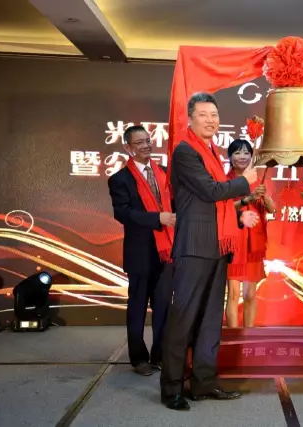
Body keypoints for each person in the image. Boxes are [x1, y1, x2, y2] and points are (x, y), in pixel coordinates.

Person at [160, 93, 258, 411]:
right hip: (193, 247)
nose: (211, 120)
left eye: (214, 115)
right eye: (203, 115)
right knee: (183, 319)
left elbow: (220, 198)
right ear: (190, 118)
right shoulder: (185, 151)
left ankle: (203, 383)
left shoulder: (213, 152)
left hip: (216, 247)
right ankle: (172, 388)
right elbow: (211, 191)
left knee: (210, 320)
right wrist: (245, 181)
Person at [108, 125, 175, 376]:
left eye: (148, 140)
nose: (147, 145)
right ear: (128, 148)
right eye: (140, 143)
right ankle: (138, 358)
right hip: (140, 254)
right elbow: (123, 213)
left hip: (166, 252)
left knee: (163, 307)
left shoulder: (164, 173)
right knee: (137, 308)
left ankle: (160, 355)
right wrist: (158, 218)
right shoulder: (120, 179)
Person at [225, 139, 275, 328]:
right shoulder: (225, 181)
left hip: (253, 244)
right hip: (234, 242)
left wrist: (264, 195)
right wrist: (248, 199)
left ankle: (248, 336)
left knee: (250, 294)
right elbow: (224, 208)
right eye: (237, 153)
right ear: (230, 157)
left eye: (246, 153)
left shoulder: (258, 180)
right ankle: (233, 336)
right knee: (233, 294)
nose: (242, 157)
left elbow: (272, 209)